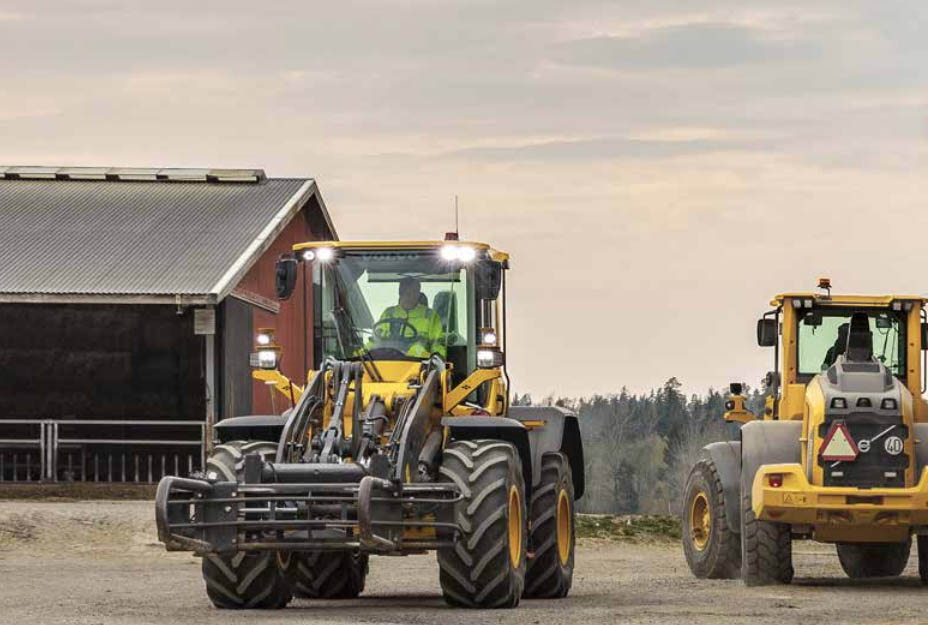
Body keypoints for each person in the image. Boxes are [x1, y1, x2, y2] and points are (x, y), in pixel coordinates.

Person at [372, 277, 446, 359]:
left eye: (414, 292)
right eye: (407, 293)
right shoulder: (389, 313)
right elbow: (375, 339)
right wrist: (360, 354)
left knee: (416, 349)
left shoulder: (430, 316)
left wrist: (437, 358)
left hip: (420, 364)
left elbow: (438, 344)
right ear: (400, 293)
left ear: (418, 294)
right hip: (387, 363)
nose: (410, 296)